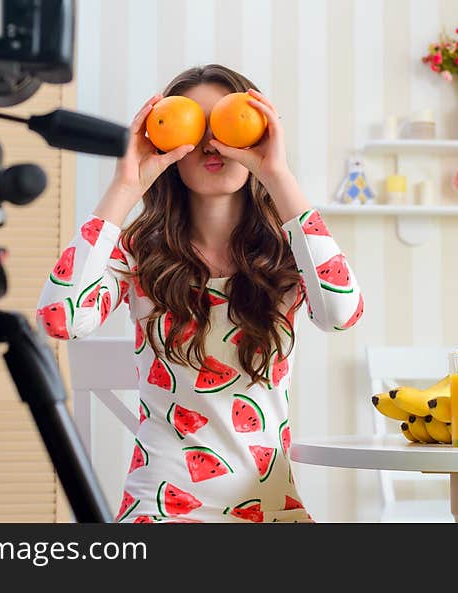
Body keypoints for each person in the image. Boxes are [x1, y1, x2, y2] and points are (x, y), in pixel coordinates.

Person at [36, 64, 364, 523]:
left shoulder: (288, 253)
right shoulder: (139, 253)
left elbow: (342, 313)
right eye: (195, 126)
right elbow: (59, 319)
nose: (212, 142)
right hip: (161, 505)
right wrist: (126, 184)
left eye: (228, 123)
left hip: (272, 505)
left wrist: (278, 174)